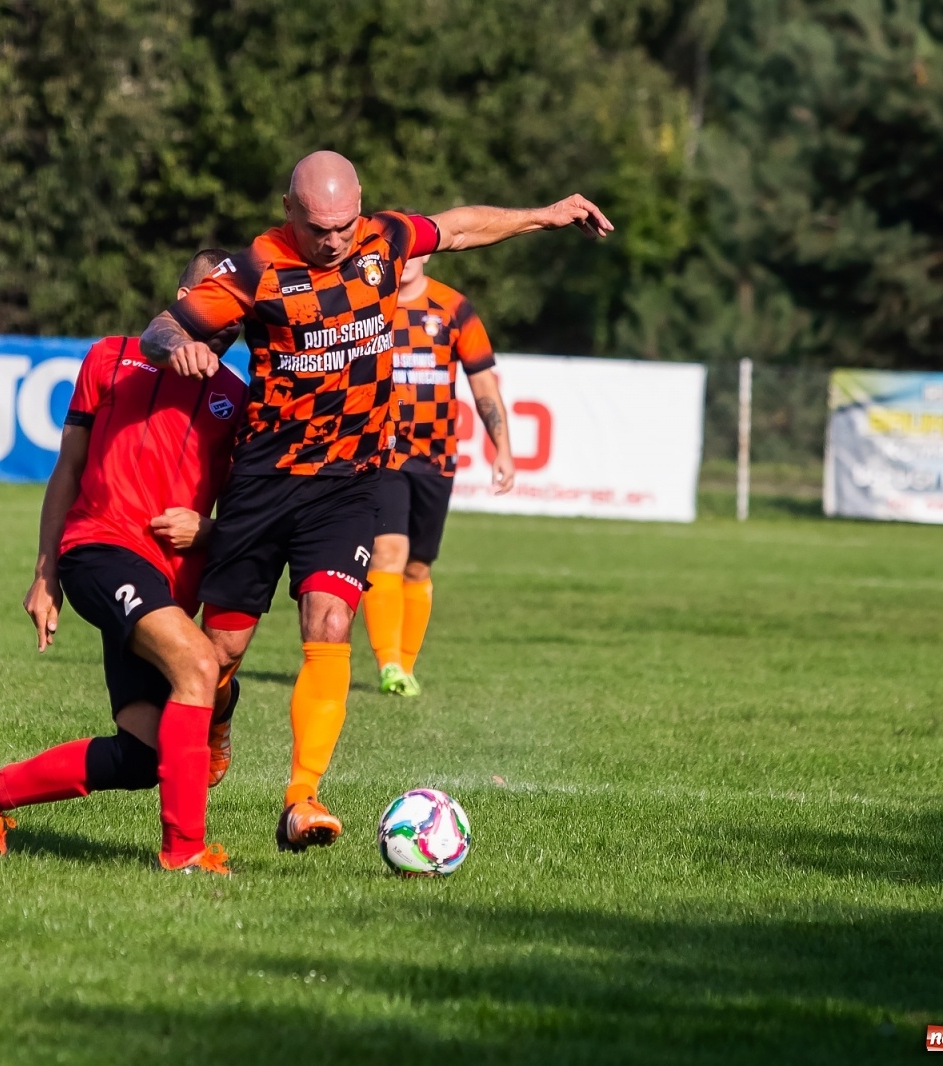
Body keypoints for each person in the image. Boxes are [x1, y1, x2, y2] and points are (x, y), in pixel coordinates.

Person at [139, 150, 612, 852]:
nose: (333, 240)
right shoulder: (255, 267)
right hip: (267, 480)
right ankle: (216, 717)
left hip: (351, 479)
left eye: (343, 224)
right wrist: (179, 346)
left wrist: (544, 214)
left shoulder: (382, 240)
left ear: (360, 208)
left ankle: (302, 799)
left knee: (329, 625)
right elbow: (164, 325)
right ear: (289, 209)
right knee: (221, 650)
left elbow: (458, 227)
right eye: (318, 227)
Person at [0, 249, 248, 876]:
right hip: (99, 551)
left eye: (233, 313)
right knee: (197, 663)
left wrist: (207, 527)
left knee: (140, 756)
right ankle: (185, 855)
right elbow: (67, 471)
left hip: (166, 586)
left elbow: (247, 520)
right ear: (181, 295)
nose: (221, 321)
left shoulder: (237, 399)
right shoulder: (110, 357)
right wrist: (45, 572)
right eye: (206, 302)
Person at [363, 254, 514, 698]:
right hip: (382, 452)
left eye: (413, 251)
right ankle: (388, 664)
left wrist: (502, 448)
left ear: (427, 253)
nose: (405, 260)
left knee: (418, 564)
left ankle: (405, 667)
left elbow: (483, 383)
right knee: (387, 551)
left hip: (436, 456)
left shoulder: (453, 308)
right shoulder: (369, 306)